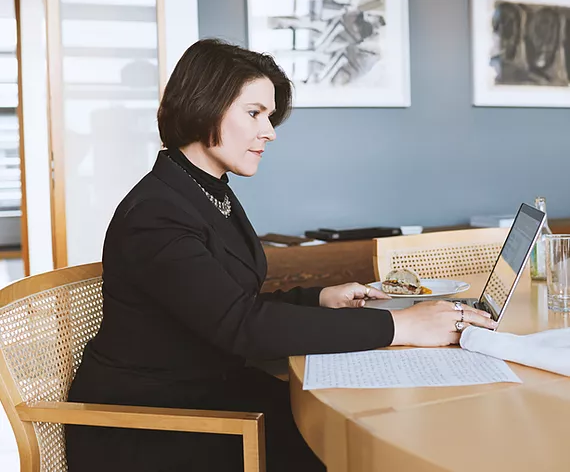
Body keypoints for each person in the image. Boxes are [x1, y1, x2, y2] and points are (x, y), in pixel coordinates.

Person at [65, 39, 497, 472]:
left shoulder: (204, 191)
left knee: (360, 426)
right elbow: (241, 326)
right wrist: (401, 324)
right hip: (154, 426)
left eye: (269, 117)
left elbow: (228, 306)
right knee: (343, 444)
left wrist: (321, 298)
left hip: (207, 391)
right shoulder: (157, 214)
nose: (269, 132)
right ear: (203, 105)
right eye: (254, 113)